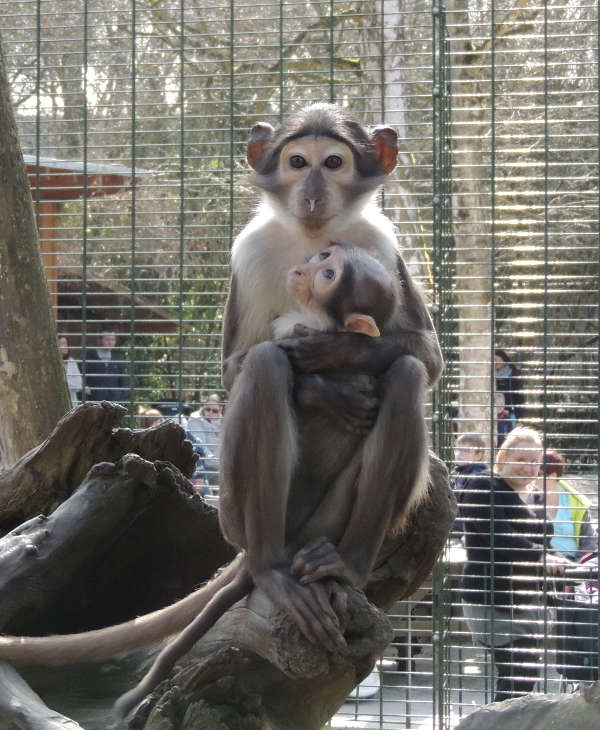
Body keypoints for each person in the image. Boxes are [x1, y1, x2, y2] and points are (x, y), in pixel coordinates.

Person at [459, 427, 571, 702]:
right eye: (521, 459)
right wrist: (541, 557)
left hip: (524, 600)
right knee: (518, 675)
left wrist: (567, 562)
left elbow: (540, 543)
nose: (529, 467)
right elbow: (499, 535)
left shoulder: (532, 494)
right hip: (492, 601)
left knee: (522, 675)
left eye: (534, 462)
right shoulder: (483, 485)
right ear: (503, 457)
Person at [530, 449, 597, 560]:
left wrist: (576, 566)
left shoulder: (575, 501)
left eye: (538, 474)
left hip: (573, 563)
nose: (532, 477)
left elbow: (589, 540)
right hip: (540, 562)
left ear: (553, 475)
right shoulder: (526, 496)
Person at [450, 433, 487, 541]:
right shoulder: (460, 472)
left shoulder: (476, 475)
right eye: (458, 449)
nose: (459, 454)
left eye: (466, 451)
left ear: (478, 455)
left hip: (464, 529)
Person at [187, 394, 222, 486]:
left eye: (214, 411)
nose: (210, 412)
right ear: (203, 407)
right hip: (204, 467)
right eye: (207, 409)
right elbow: (202, 450)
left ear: (220, 410)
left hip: (219, 466)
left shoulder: (222, 421)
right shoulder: (195, 420)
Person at [84, 330, 127, 403]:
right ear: (100, 341)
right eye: (107, 339)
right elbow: (84, 377)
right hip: (94, 402)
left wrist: (119, 395)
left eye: (113, 340)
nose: (110, 342)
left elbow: (122, 382)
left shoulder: (118, 359)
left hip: (113, 403)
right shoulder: (90, 357)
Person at [494, 348, 525, 420]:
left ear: (503, 359)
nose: (494, 362)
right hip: (496, 415)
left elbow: (519, 397)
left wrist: (519, 417)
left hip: (510, 414)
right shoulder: (490, 376)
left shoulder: (514, 374)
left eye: (496, 359)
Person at [58, 336, 83, 407]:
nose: (65, 346)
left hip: (72, 402)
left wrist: (64, 382)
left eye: (66, 344)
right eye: (62, 344)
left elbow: (78, 384)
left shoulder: (71, 361)